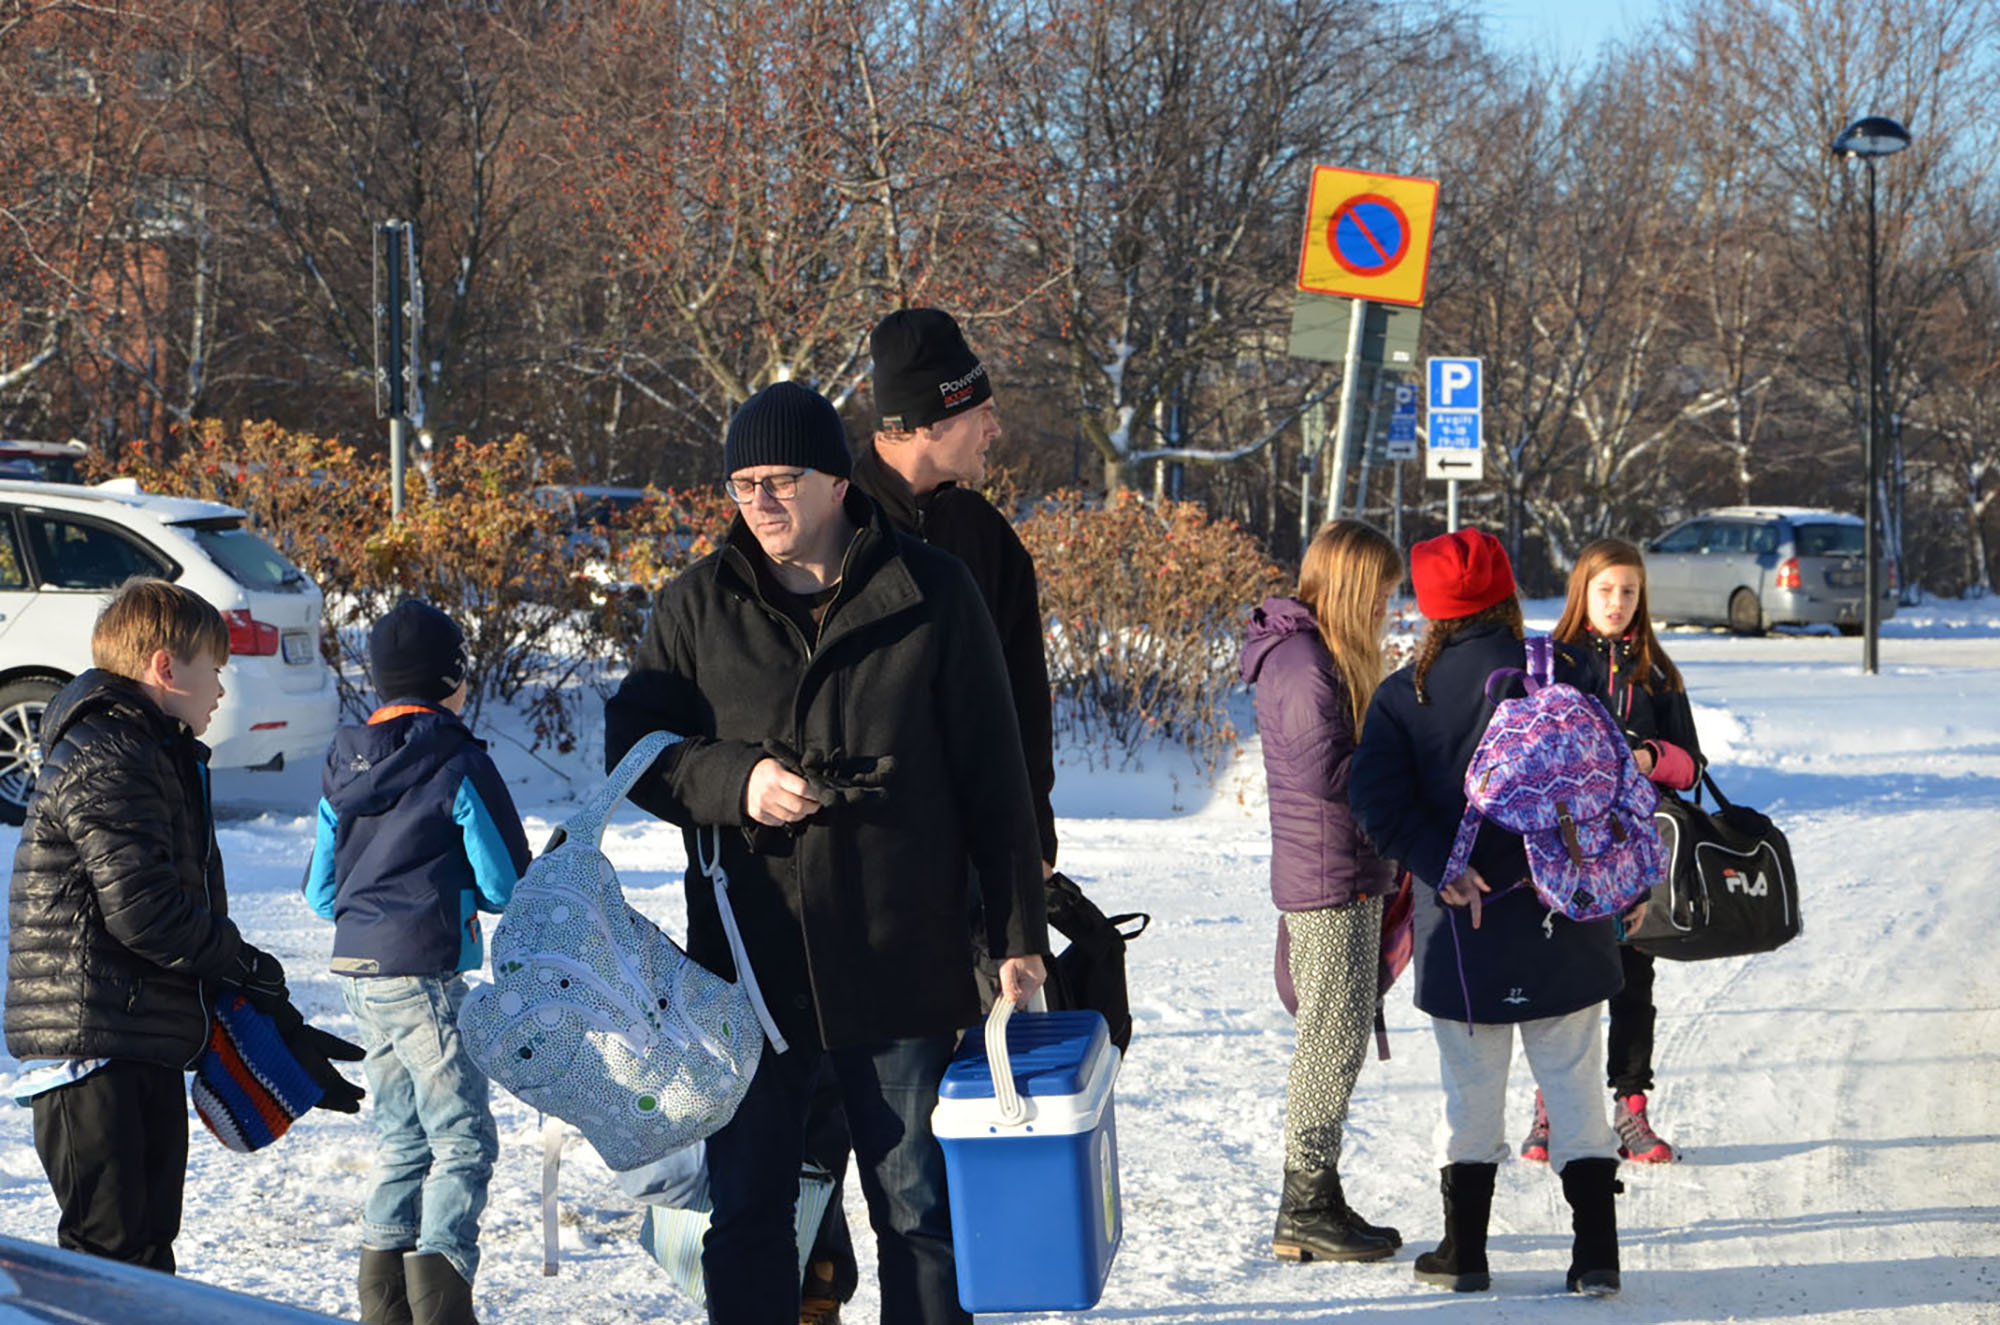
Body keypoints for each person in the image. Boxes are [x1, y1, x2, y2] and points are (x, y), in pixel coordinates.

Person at [602, 379, 1048, 1325]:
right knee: (750, 1209)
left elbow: (995, 776)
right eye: (742, 482)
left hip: (901, 953)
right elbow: (637, 756)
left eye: (781, 479)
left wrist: (1015, 930)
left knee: (918, 1209)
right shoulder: (695, 605)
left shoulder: (933, 590)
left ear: (837, 481)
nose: (759, 501)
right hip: (749, 970)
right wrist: (737, 782)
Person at [795, 307, 1060, 1323]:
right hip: (816, 887)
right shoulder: (822, 523)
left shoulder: (986, 543)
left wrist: (1023, 870)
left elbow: (1019, 731)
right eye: (976, 411)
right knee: (809, 1121)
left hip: (937, 891)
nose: (992, 428)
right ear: (921, 421)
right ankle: (815, 1274)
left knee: (916, 1139)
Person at [4, 578, 355, 1273]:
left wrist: (255, 1006)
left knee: (145, 1255)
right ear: (166, 669)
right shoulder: (111, 754)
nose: (221, 689)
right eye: (214, 670)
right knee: (111, 1262)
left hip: (130, 1036)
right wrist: (244, 965)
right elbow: (146, 910)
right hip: (92, 1047)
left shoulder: (143, 749)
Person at [1349, 529, 1633, 1297]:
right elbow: (1612, 775)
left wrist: (1444, 864)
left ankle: (1464, 1254)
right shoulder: (1567, 669)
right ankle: (1595, 1256)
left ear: (1431, 607)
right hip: (1563, 916)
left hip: (1463, 933)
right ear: (1508, 590)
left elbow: (1373, 799)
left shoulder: (1406, 693)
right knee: (1575, 1085)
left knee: (1469, 1093)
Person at [304, 599, 532, 1325]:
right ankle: (441, 1305)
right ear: (452, 679)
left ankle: (384, 1305)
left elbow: (319, 893)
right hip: (426, 973)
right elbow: (504, 884)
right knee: (463, 1136)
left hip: (359, 974)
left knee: (404, 1137)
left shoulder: (342, 763)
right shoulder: (456, 759)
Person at [1240, 520, 1405, 1264]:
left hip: (1344, 870)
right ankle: (1303, 1205)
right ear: (1349, 584)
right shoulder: (1303, 661)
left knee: (1336, 1044)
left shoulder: (1318, 654)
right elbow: (1323, 774)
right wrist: (1402, 768)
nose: (1385, 610)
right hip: (1327, 877)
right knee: (1328, 1045)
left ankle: (1320, 1192)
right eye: (1379, 594)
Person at [1515, 538, 1703, 1167]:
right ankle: (1550, 1107)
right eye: (1605, 590)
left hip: (1633, 857)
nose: (1617, 603)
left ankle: (1630, 1109)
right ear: (1582, 592)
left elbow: (1693, 768)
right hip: (1565, 854)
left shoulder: (1658, 673)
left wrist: (1652, 758)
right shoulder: (1551, 664)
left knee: (1630, 983)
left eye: (1628, 591)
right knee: (1563, 982)